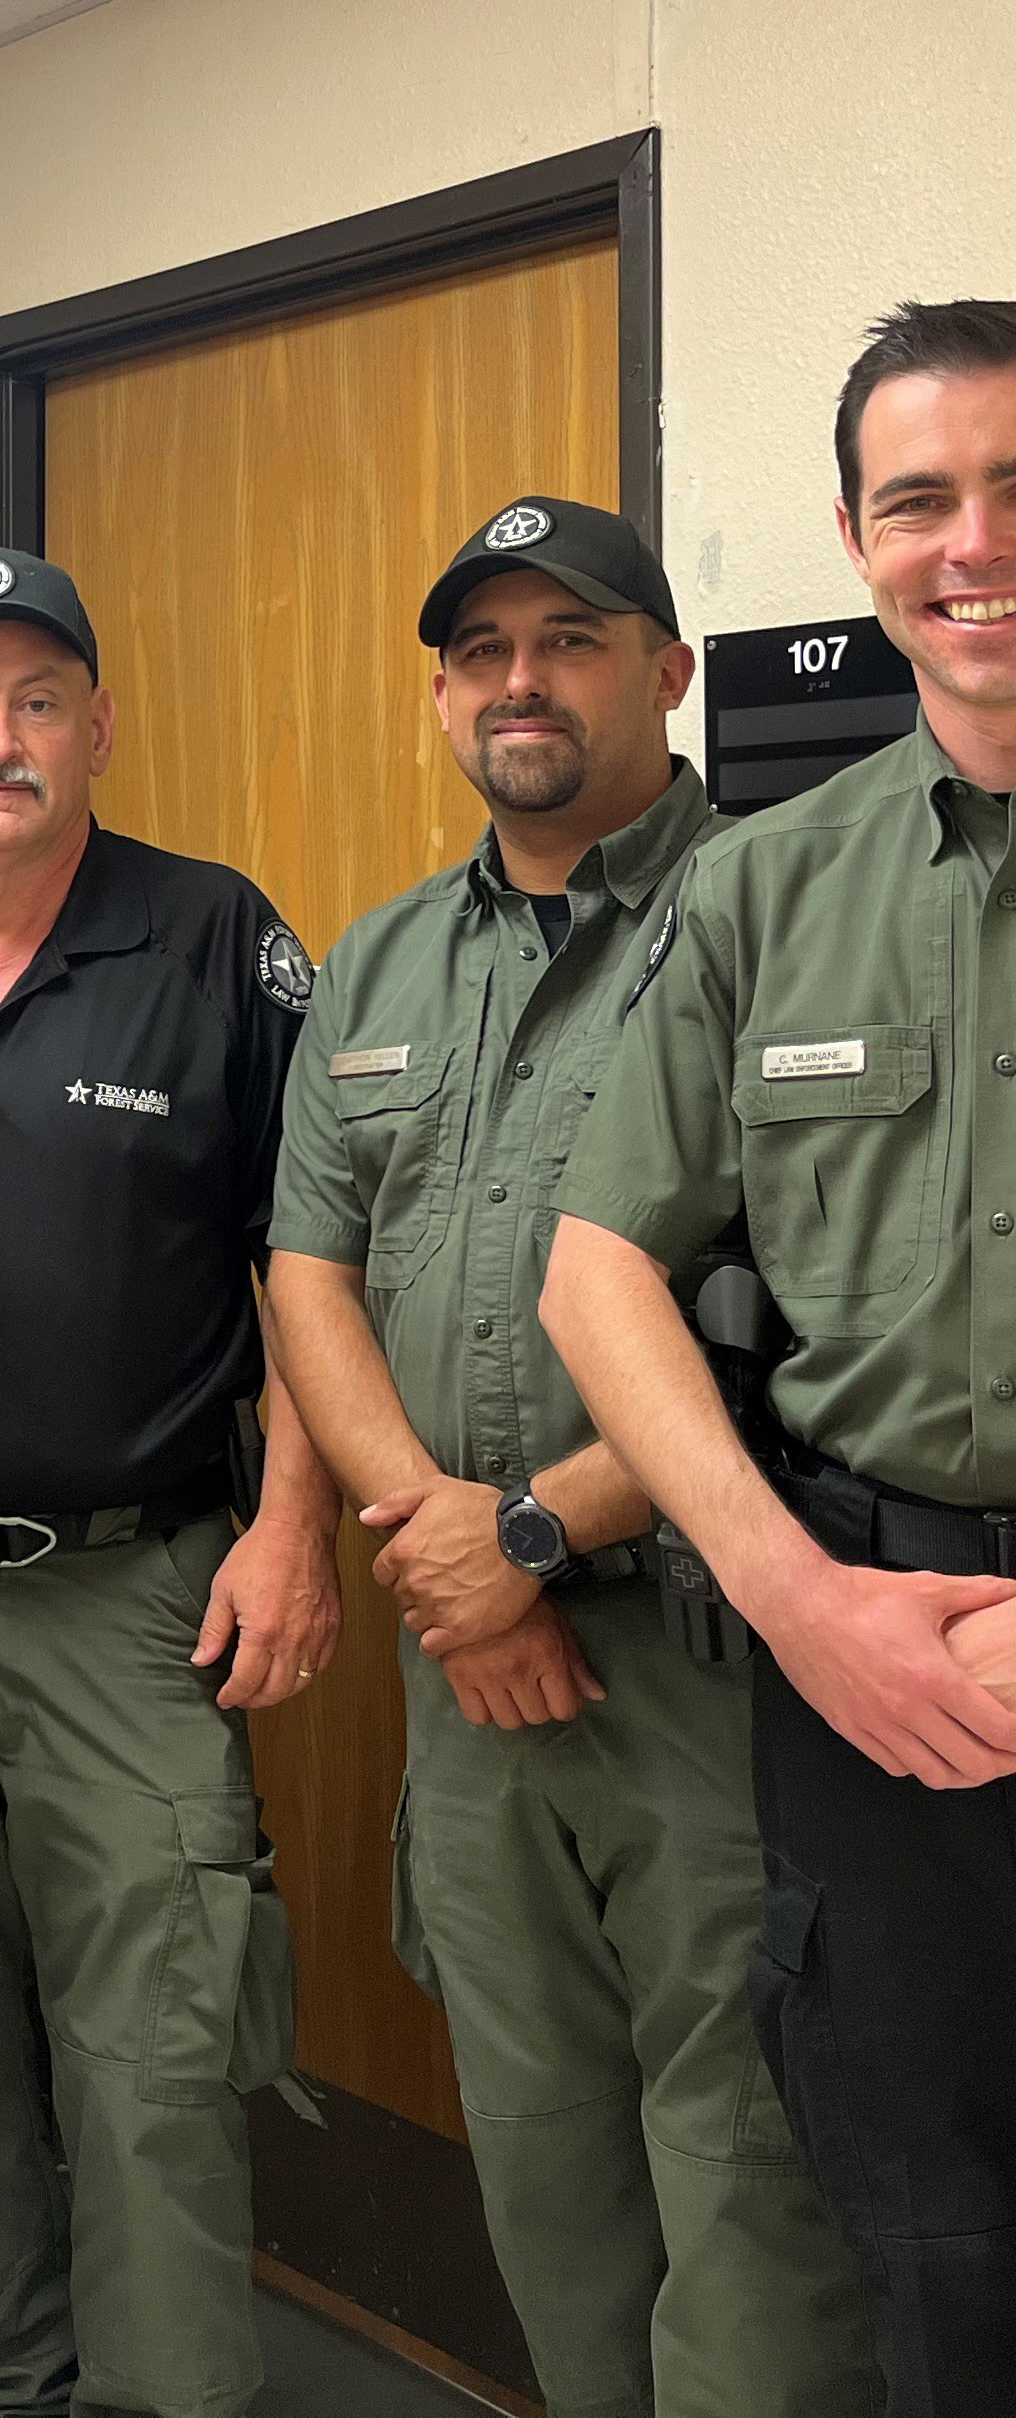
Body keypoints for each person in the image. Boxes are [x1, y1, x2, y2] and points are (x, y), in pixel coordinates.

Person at [271, 496, 877, 2418]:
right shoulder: (374, 966)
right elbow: (309, 1274)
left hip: (707, 1660)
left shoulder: (790, 908)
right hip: (471, 1674)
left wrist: (535, 1528)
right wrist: (449, 1562)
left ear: (670, 671)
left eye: (572, 638)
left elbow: (821, 1311)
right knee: (538, 2149)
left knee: (747, 2173)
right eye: (480, 650)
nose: (518, 681)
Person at [0, 547, 342, 2418]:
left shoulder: (213, 936)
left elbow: (311, 1263)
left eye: (36, 702)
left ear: (99, 725)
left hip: (139, 1592)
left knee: (156, 2060)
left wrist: (294, 1526)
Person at [546, 300, 1016, 2418]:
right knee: (919, 2240)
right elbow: (594, 1274)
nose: (972, 543)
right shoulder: (771, 896)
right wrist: (792, 1592)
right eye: (920, 498)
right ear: (855, 535)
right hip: (870, 1667)